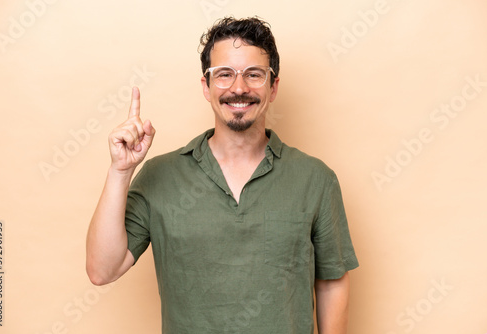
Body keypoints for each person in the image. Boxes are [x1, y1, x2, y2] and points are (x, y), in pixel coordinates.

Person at [86, 16, 359, 334]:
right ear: (206, 86)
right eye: (224, 75)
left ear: (273, 87)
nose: (239, 88)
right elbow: (102, 270)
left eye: (254, 75)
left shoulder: (315, 179)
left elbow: (332, 282)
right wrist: (121, 170)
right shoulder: (160, 176)